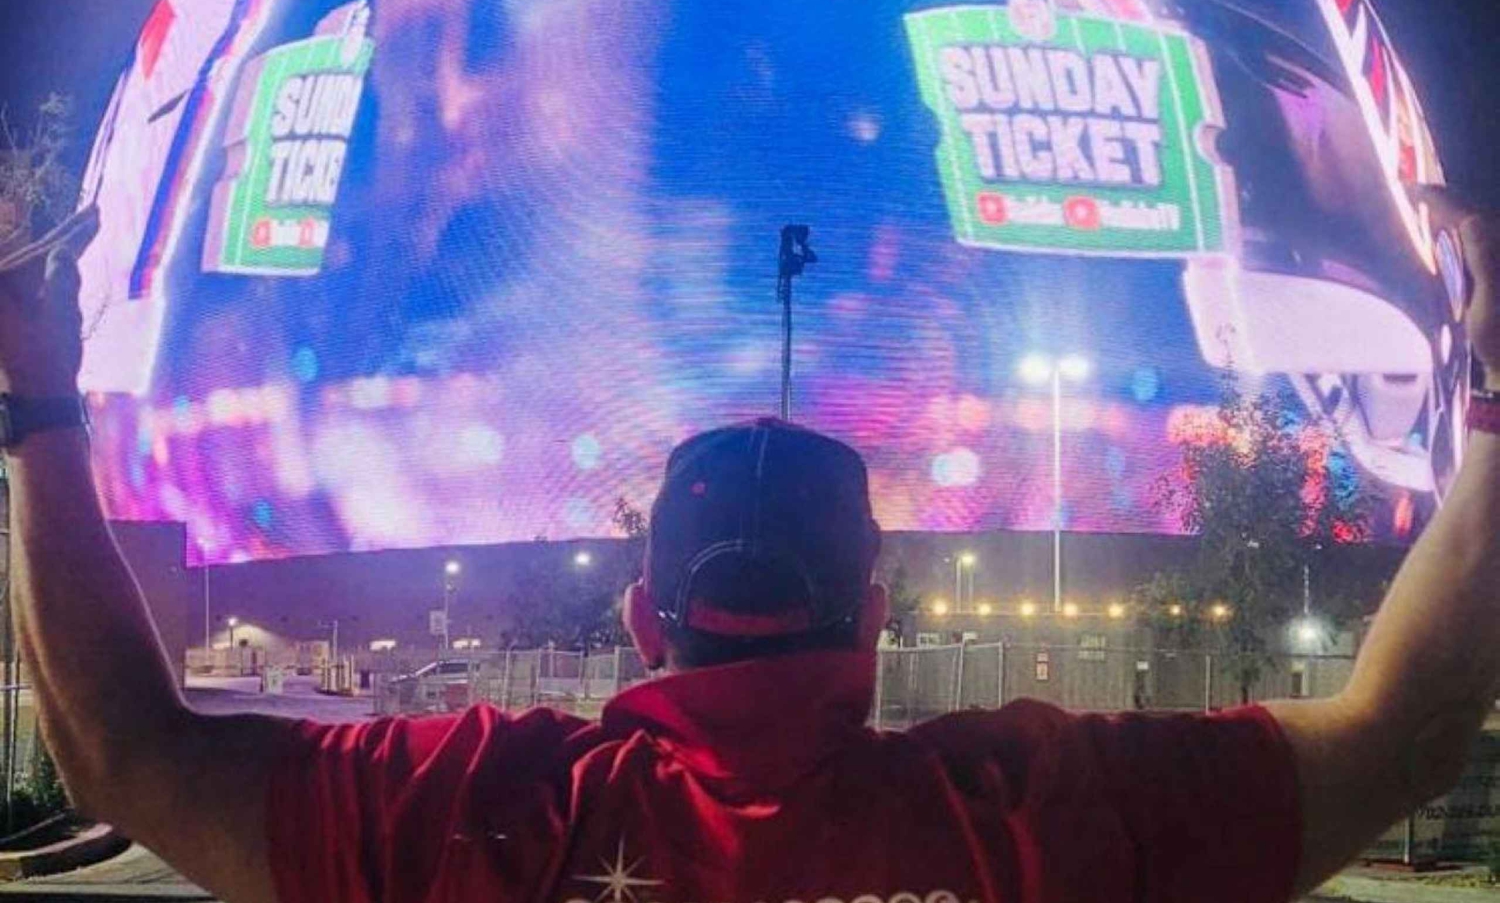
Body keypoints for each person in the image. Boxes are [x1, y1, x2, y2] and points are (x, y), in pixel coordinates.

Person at [2, 196, 1499, 903]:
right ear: (876, 615)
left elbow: (125, 752)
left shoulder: (479, 814)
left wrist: (39, 410)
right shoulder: (1037, 813)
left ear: (648, 623)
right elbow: (1411, 731)